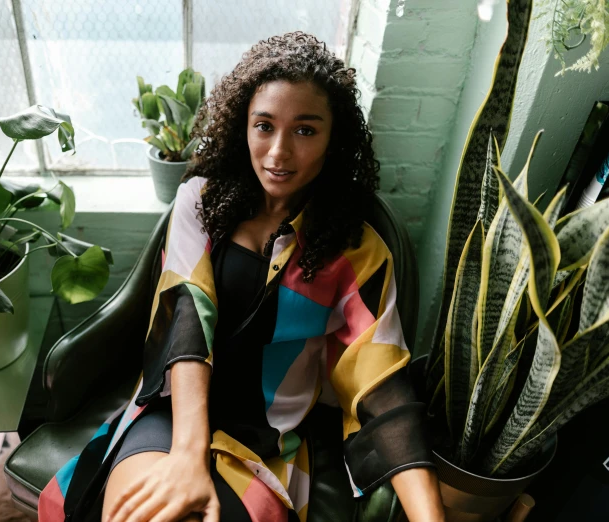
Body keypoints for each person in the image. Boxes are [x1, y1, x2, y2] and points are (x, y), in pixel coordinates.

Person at [39, 31, 445, 522]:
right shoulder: (199, 203)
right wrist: (187, 457)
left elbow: (381, 385)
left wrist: (432, 517)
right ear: (242, 126)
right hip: (173, 415)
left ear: (333, 140)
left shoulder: (359, 253)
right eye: (264, 126)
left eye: (305, 130)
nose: (277, 153)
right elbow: (188, 320)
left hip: (264, 440)